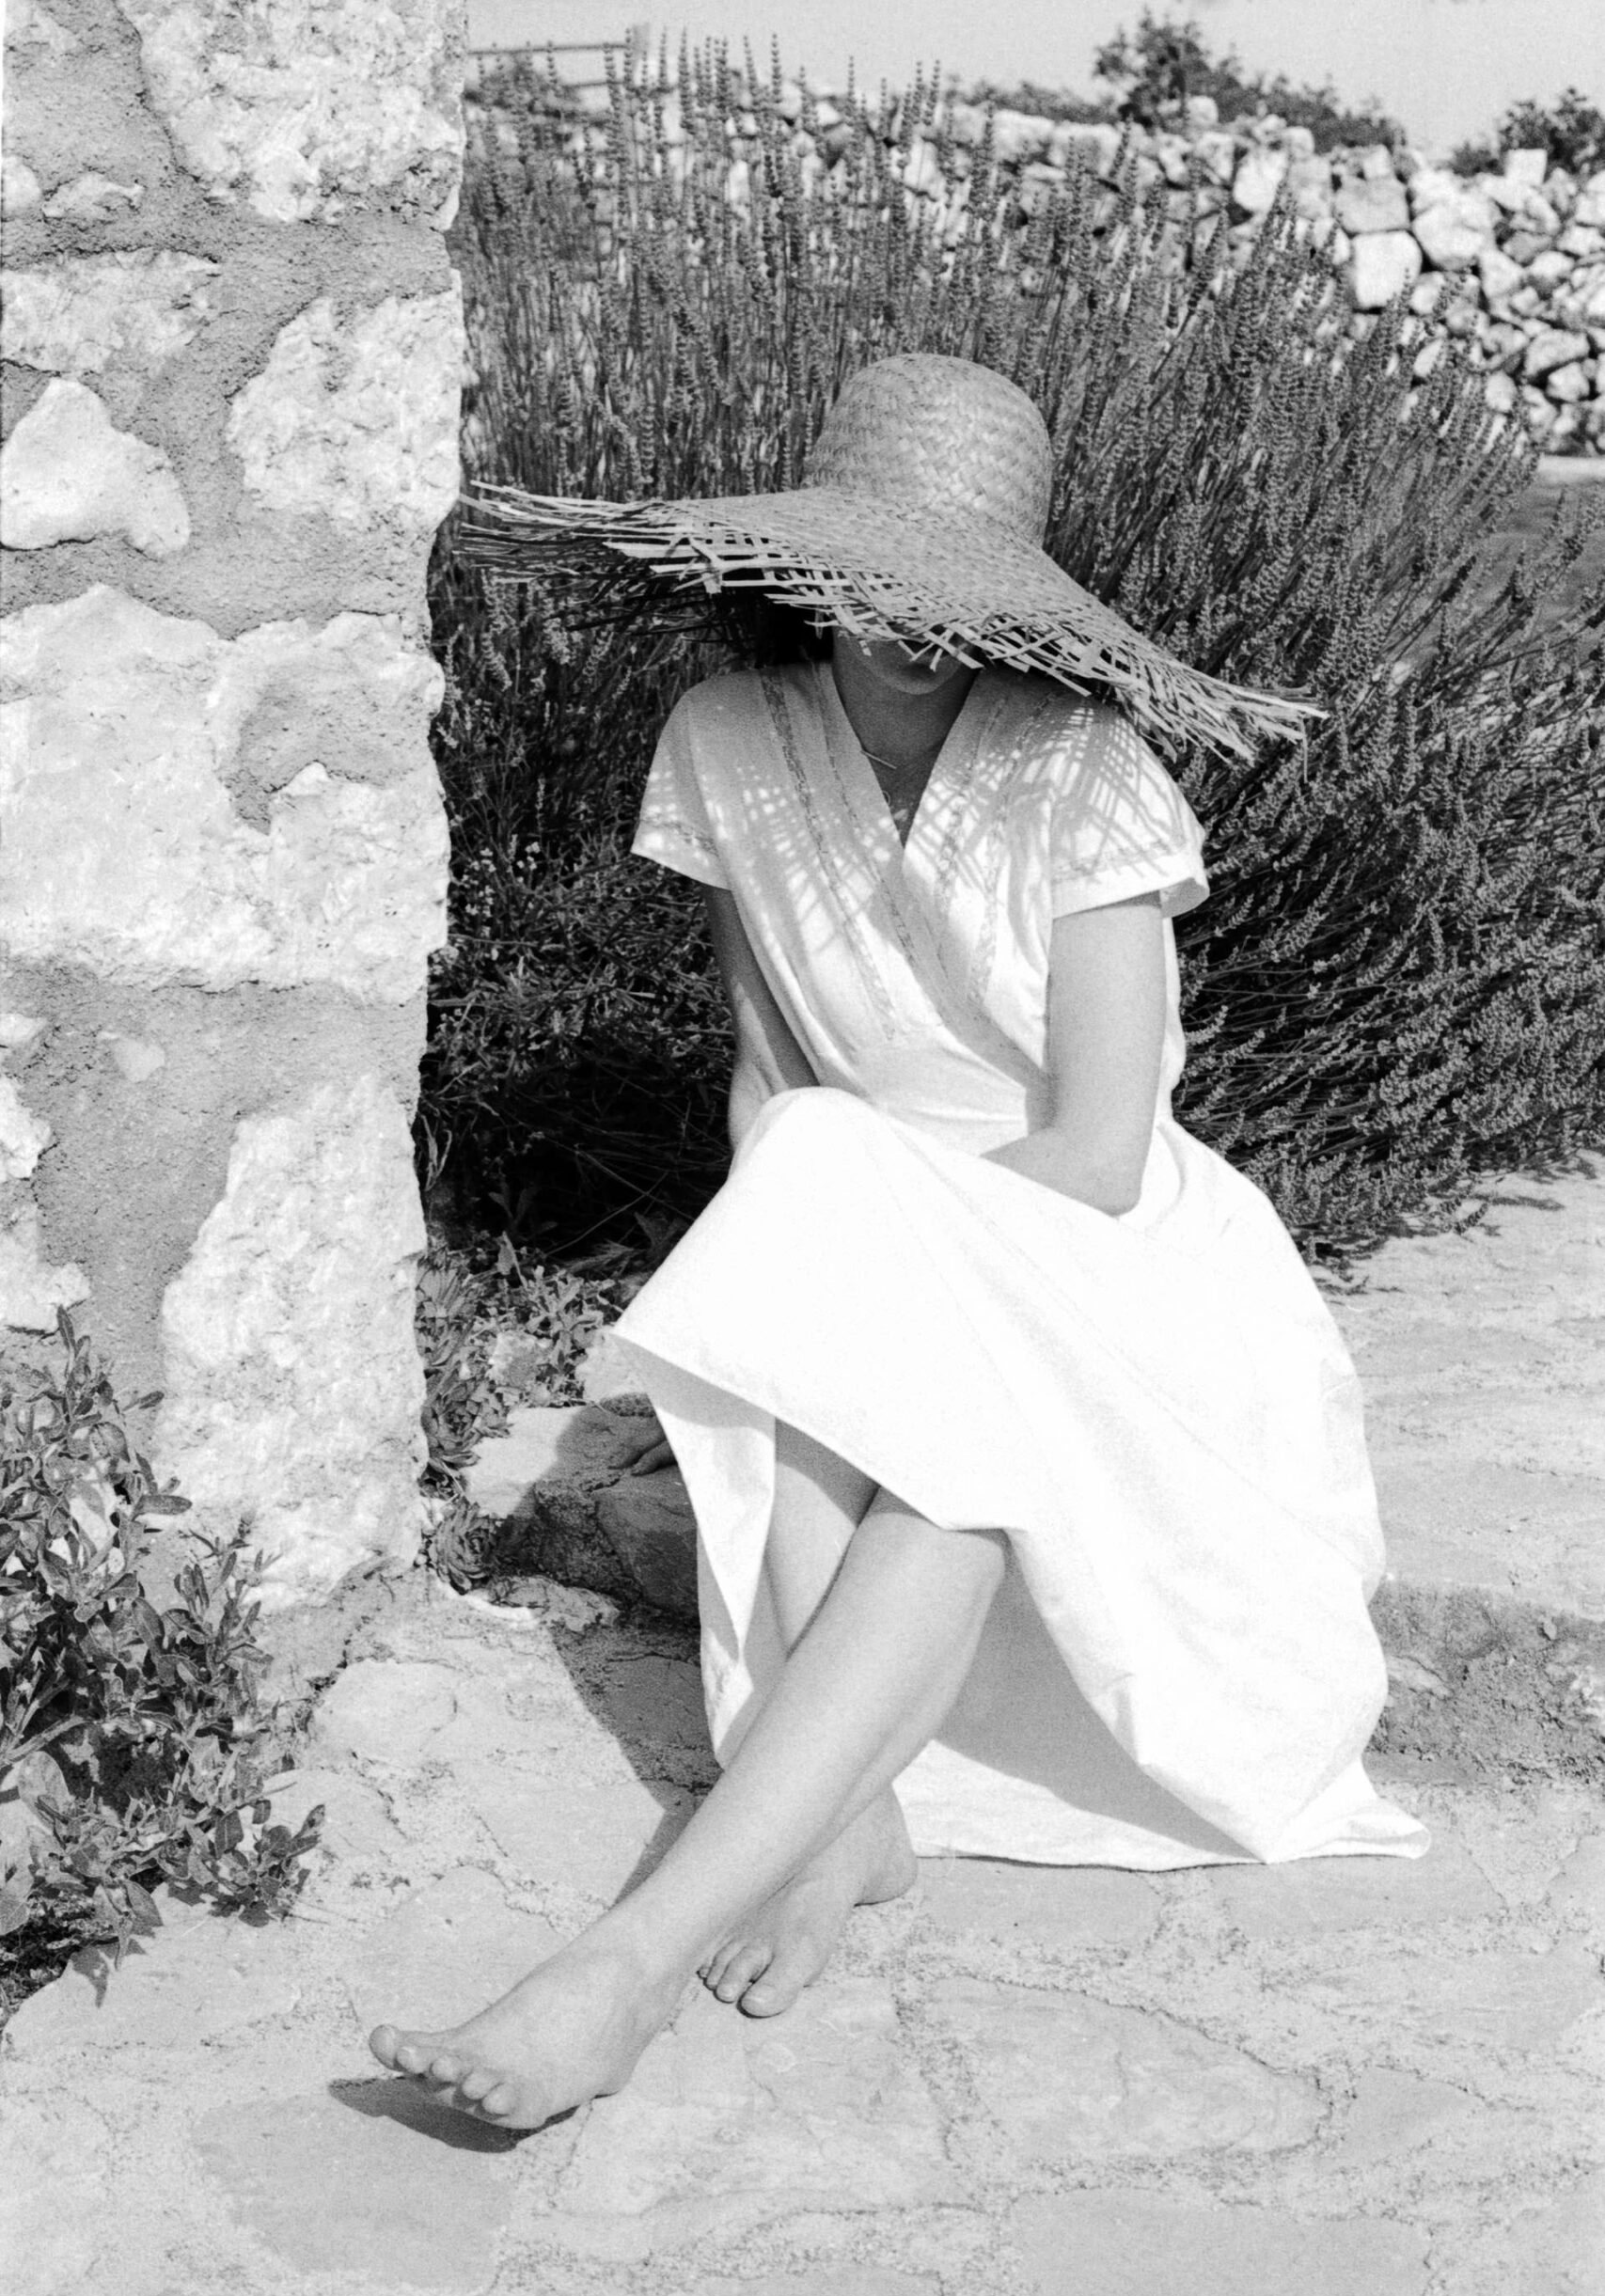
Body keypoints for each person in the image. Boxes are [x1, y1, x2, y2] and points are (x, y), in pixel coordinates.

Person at [370, 353, 1425, 2129]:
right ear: (807, 571)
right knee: (876, 1346)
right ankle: (834, 1827)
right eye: (879, 583)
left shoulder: (1082, 767)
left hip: (1102, 1253)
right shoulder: (728, 738)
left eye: (956, 595)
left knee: (897, 1339)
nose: (915, 630)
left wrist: (845, 1233)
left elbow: (1101, 1148)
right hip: (847, 1215)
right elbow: (770, 1061)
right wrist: (790, 1291)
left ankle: (633, 1958)